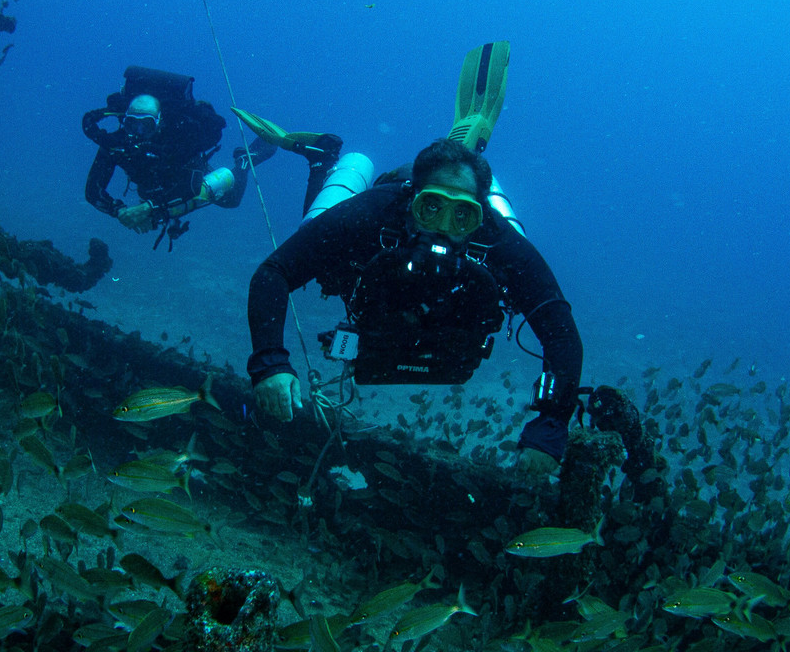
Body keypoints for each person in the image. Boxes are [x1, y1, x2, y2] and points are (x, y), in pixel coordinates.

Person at [245, 136, 583, 473]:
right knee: (316, 233)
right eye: (431, 207)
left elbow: (560, 330)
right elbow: (275, 271)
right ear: (411, 199)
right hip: (368, 293)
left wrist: (551, 424)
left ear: (480, 215)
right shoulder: (374, 212)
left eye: (462, 214)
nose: (443, 229)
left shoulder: (498, 240)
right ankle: (324, 162)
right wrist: (270, 363)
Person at [83, 65, 275, 248]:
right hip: (152, 191)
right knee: (149, 199)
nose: (139, 132)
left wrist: (148, 208)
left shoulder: (179, 139)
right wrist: (119, 211)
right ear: (124, 121)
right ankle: (157, 209)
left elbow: (190, 188)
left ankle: (243, 161)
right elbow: (93, 190)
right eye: (133, 124)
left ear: (159, 122)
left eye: (147, 125)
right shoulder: (116, 143)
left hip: (185, 180)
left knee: (231, 200)